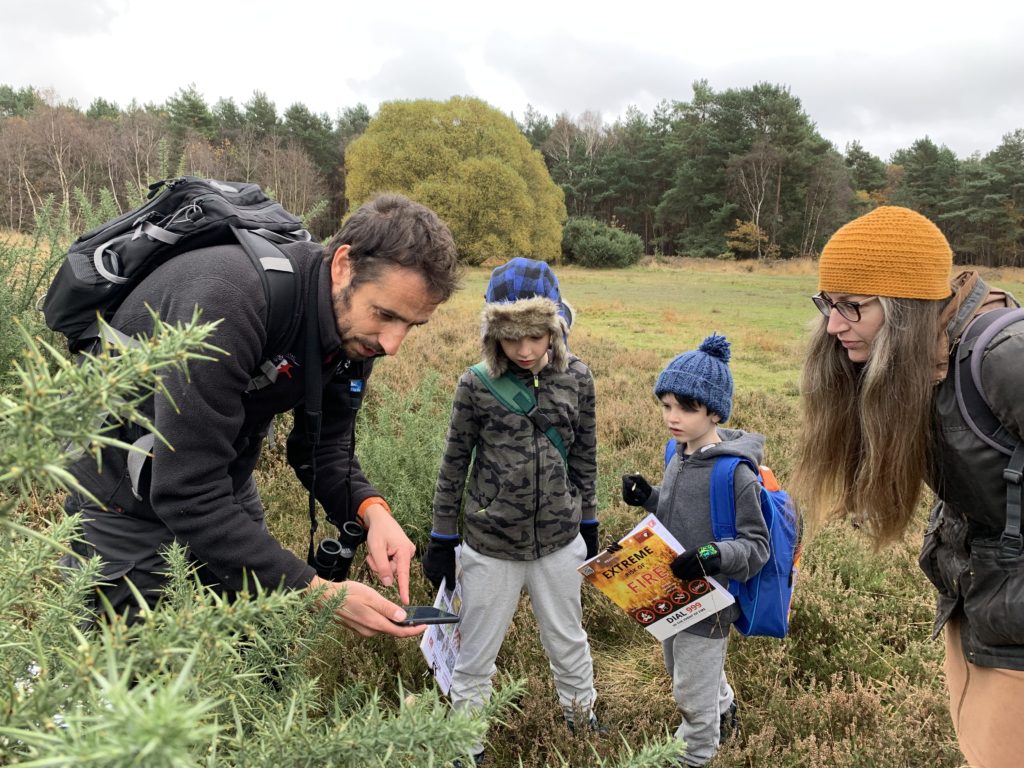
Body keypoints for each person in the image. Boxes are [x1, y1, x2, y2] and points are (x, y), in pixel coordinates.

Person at [61, 192, 460, 638]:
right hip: (121, 499)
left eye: (411, 325)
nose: (392, 344)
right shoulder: (227, 300)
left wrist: (373, 512)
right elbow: (186, 492)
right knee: (132, 680)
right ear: (344, 265)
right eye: (385, 315)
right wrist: (314, 590)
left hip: (221, 484)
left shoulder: (353, 330)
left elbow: (323, 448)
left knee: (254, 651)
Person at [791, 205, 1024, 768]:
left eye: (853, 306)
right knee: (981, 745)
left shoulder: (1005, 358)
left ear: (907, 309)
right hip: (976, 592)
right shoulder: (917, 357)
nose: (833, 325)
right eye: (828, 303)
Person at [422, 257, 600, 765]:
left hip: (560, 544)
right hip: (490, 547)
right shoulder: (475, 384)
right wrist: (442, 536)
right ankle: (465, 747)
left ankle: (582, 721)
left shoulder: (580, 379)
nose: (524, 350)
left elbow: (585, 457)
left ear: (555, 328)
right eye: (511, 338)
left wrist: (588, 523)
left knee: (569, 641)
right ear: (493, 334)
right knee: (475, 656)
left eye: (536, 336)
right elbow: (453, 463)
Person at [621, 333, 769, 768]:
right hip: (673, 592)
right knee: (680, 671)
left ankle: (697, 753)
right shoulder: (679, 452)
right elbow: (675, 502)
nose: (673, 417)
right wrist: (649, 495)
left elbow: (755, 547)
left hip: (711, 601)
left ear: (715, 411)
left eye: (685, 408)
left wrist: (713, 556)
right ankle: (723, 706)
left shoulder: (736, 474)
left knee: (689, 691)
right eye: (666, 405)